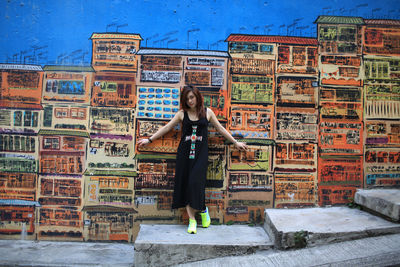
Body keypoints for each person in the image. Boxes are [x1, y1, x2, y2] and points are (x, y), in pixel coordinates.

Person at [137, 85, 248, 234]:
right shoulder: (182, 114)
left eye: (192, 97)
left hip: (200, 154)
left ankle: (202, 209)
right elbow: (167, 127)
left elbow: (220, 129)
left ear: (197, 97)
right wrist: (149, 140)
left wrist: (235, 142)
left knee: (195, 182)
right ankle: (192, 220)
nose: (190, 101)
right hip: (184, 154)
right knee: (186, 184)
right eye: (187, 98)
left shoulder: (207, 112)